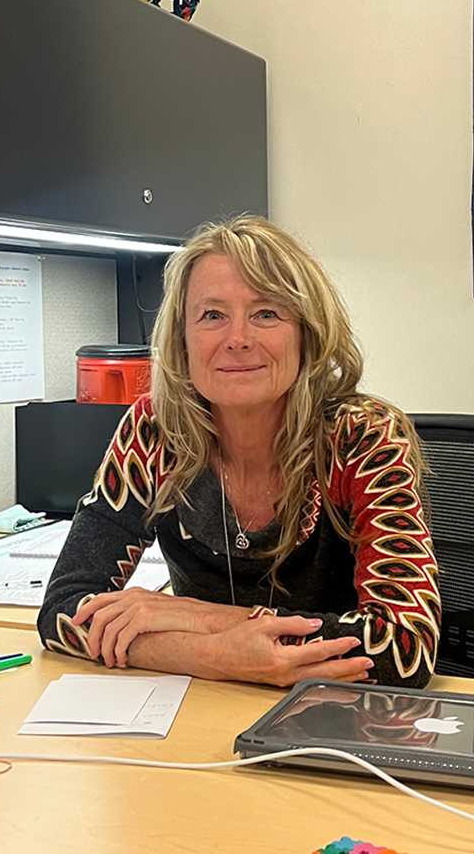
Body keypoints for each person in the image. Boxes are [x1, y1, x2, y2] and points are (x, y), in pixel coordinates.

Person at [38, 216, 439, 688]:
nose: (238, 338)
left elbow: (404, 648)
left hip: (334, 716)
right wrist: (209, 656)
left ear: (306, 333)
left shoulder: (363, 437)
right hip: (194, 711)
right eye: (212, 315)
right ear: (182, 341)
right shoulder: (155, 431)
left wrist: (194, 617)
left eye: (266, 313)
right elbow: (63, 609)